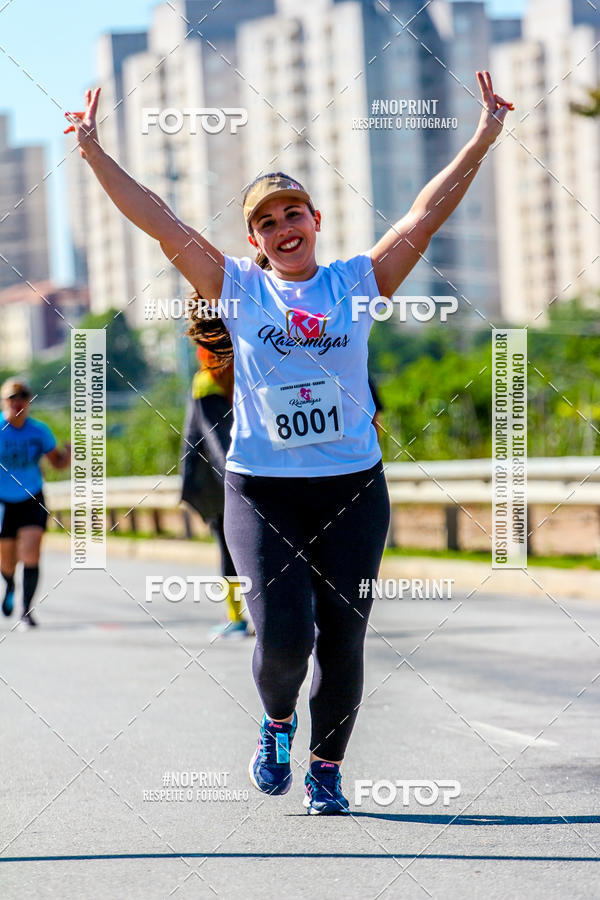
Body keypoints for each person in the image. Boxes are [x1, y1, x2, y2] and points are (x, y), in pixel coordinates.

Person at [65, 71, 511, 813]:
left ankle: (326, 768)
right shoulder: (236, 287)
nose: (282, 227)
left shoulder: (356, 282)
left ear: (316, 217)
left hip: (352, 489)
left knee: (343, 640)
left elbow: (424, 215)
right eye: (267, 221)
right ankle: (277, 722)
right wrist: (92, 154)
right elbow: (161, 218)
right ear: (255, 240)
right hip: (262, 489)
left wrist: (484, 135)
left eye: (292, 212)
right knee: (281, 639)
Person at [181, 344, 253, 639]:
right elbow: (216, 440)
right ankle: (238, 616)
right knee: (234, 545)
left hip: (232, 476)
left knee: (237, 546)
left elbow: (217, 438)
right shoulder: (218, 381)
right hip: (224, 476)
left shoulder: (224, 378)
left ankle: (245, 616)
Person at [0, 377, 71, 628]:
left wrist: (69, 453)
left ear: (29, 403)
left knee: (31, 552)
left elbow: (57, 462)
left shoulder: (39, 431)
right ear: (4, 401)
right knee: (6, 559)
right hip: (3, 502)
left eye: (22, 398)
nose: (17, 403)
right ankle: (9, 584)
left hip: (32, 497)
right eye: (12, 398)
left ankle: (26, 610)